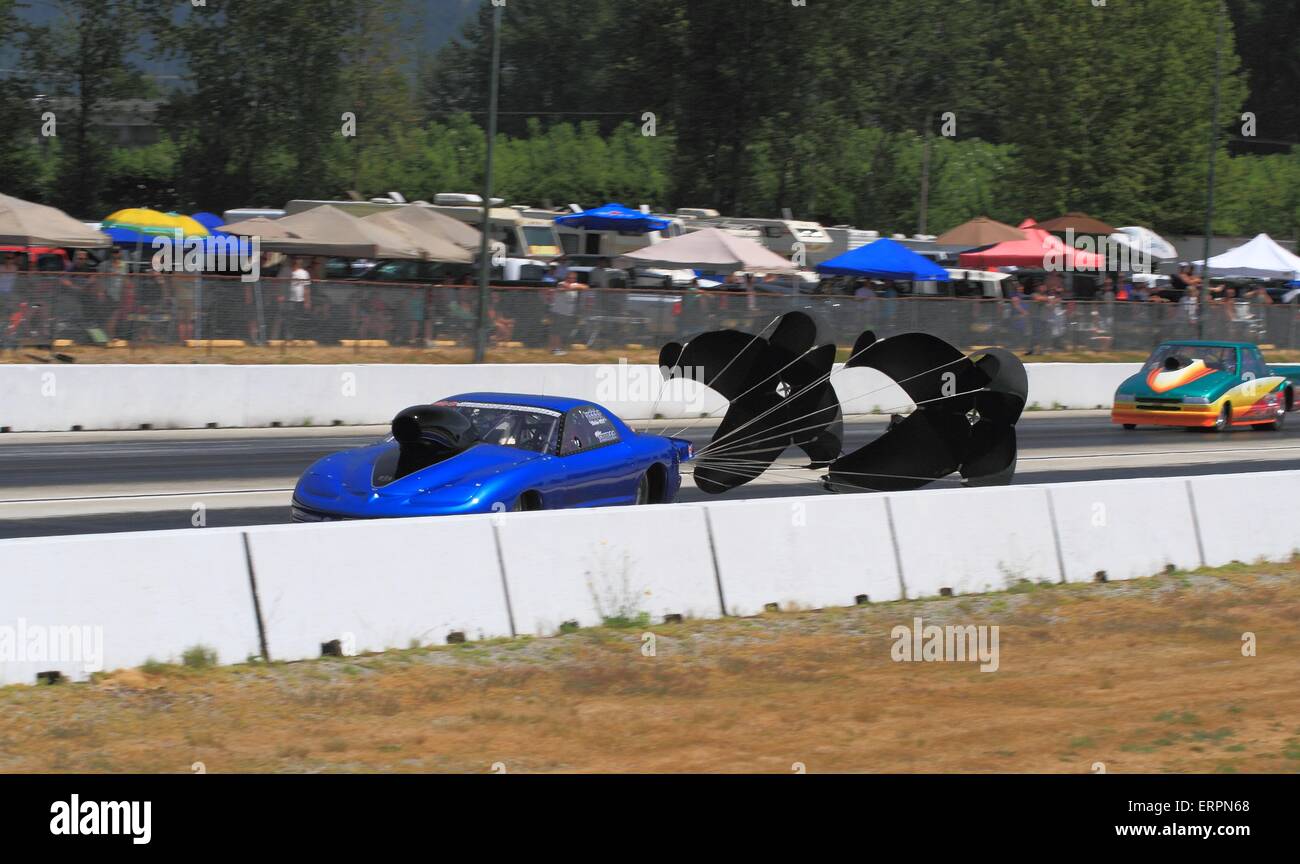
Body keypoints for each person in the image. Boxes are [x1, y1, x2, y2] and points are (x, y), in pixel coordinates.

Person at [548, 271, 585, 355]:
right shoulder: (561, 283)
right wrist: (574, 287)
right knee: (556, 331)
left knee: (560, 332)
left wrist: (575, 286)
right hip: (558, 312)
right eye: (570, 278)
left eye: (574, 278)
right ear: (566, 278)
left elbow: (585, 287)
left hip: (567, 313)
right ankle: (555, 349)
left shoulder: (575, 286)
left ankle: (557, 348)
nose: (572, 279)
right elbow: (565, 286)